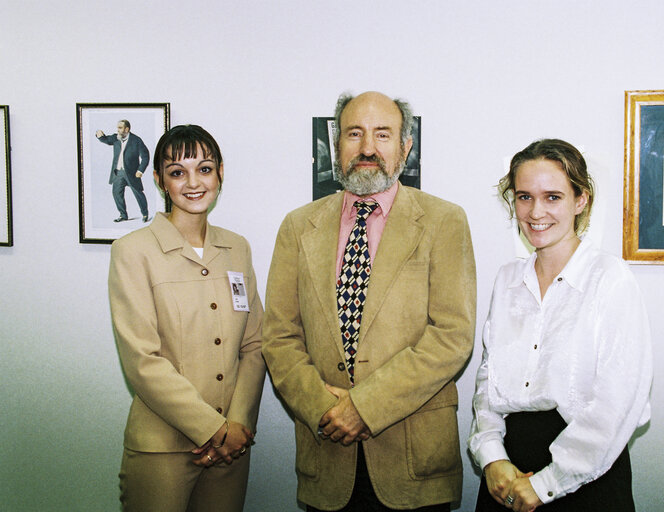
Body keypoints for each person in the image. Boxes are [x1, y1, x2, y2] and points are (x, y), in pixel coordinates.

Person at [262, 91, 476, 511]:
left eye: (383, 134)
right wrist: (326, 410)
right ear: (336, 143)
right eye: (354, 133)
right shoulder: (297, 226)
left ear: (405, 147)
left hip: (415, 462)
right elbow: (279, 337)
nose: (366, 148)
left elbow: (452, 336)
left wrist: (364, 406)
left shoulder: (444, 221)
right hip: (327, 455)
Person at [468, 139, 652, 512]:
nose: (536, 211)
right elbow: (489, 384)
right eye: (524, 197)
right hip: (509, 469)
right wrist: (491, 456)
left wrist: (549, 482)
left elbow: (619, 400)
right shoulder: (506, 280)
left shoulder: (609, 278)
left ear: (580, 200)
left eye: (553, 196)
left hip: (586, 473)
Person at [108, 124, 267, 511]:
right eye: (178, 172)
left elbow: (256, 344)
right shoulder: (133, 251)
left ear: (220, 173)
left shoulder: (237, 248)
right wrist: (213, 429)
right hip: (161, 450)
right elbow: (142, 362)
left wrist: (237, 427)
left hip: (232, 448)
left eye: (205, 169)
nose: (193, 183)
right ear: (161, 180)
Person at [96, 119, 151, 222]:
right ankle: (123, 215)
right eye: (117, 128)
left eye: (120, 128)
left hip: (132, 173)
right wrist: (99, 135)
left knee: (138, 193)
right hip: (118, 172)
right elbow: (106, 140)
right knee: (116, 193)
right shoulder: (116, 138)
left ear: (127, 129)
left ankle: (145, 214)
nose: (118, 130)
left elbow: (145, 156)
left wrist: (140, 170)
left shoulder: (136, 140)